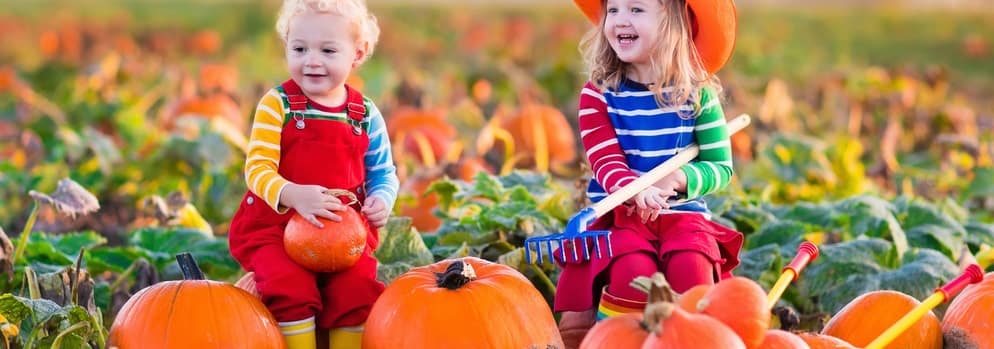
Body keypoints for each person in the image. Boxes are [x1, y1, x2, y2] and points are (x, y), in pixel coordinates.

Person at [555, 0, 744, 347]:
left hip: (682, 216)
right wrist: (634, 189)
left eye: (636, 10)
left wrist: (679, 179)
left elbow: (720, 166)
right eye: (613, 10)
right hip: (622, 215)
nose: (620, 20)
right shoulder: (598, 95)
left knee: (693, 269)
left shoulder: (697, 94)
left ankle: (694, 338)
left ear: (674, 23)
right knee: (631, 272)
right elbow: (605, 160)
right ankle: (619, 340)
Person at [227, 1, 397, 348]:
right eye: (299, 48)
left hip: (341, 232)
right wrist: (293, 194)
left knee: (358, 286)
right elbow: (257, 169)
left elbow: (383, 172)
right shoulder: (278, 105)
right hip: (276, 226)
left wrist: (383, 198)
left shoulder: (364, 113)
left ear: (357, 54)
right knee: (288, 282)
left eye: (328, 50)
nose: (312, 60)